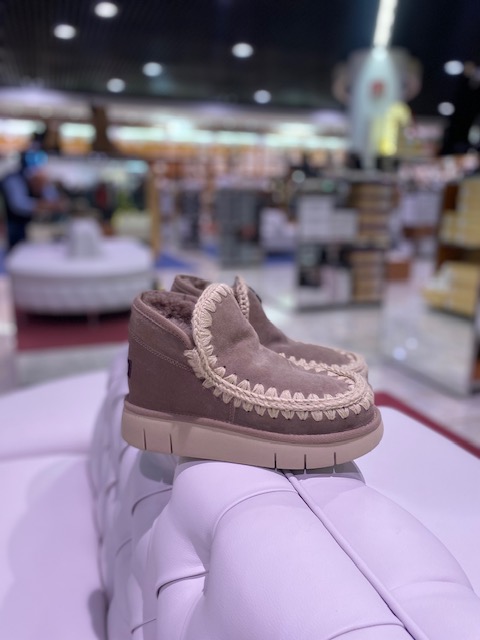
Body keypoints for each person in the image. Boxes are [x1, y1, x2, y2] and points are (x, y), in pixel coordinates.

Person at [1, 149, 65, 251]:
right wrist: (45, 205)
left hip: (34, 225)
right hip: (15, 224)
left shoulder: (40, 178)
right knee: (17, 252)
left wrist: (48, 196)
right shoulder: (13, 179)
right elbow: (19, 205)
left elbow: (52, 197)